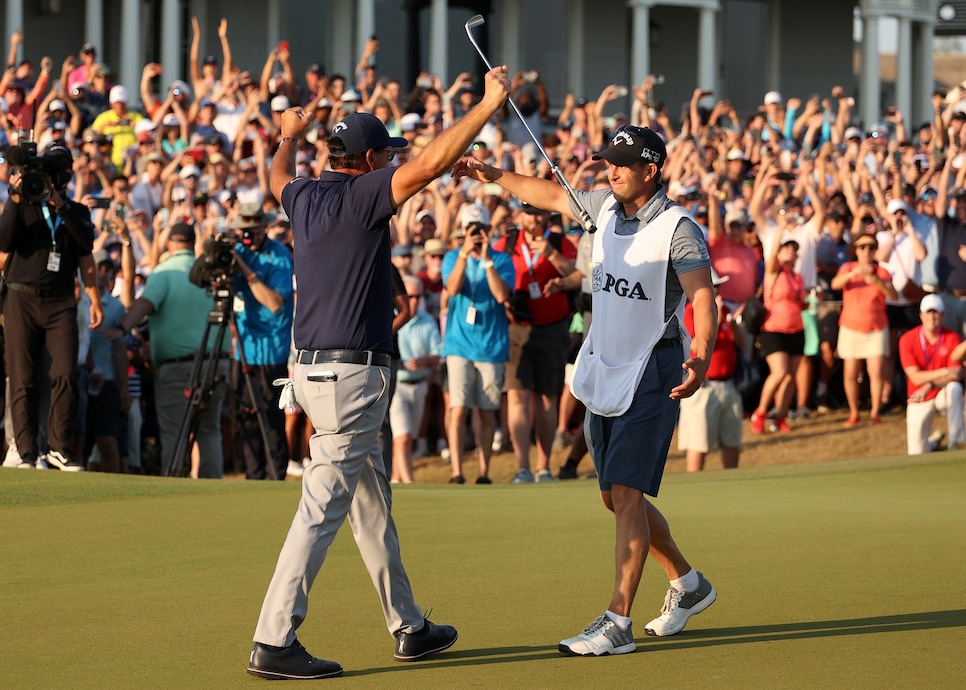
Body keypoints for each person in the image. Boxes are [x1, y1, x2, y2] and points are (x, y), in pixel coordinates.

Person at [247, 65, 511, 680]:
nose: (392, 162)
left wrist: (287, 133)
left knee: (370, 501)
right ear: (366, 160)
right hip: (348, 378)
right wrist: (489, 105)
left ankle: (409, 626)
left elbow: (277, 173)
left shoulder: (306, 195)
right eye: (384, 155)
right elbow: (434, 161)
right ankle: (273, 637)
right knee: (322, 507)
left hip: (313, 375)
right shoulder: (364, 193)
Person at [456, 124, 717, 656]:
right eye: (607, 161)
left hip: (655, 368)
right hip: (604, 362)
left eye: (622, 163)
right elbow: (548, 193)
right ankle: (689, 585)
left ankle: (617, 622)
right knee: (612, 496)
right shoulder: (602, 208)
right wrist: (492, 175)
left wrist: (701, 356)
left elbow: (703, 300)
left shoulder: (678, 228)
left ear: (651, 169)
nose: (611, 169)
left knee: (625, 494)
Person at [0, 141, 103, 471]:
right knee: (22, 377)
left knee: (64, 374)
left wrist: (95, 298)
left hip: (60, 302)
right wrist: (15, 198)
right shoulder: (23, 204)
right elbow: (4, 241)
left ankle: (58, 448)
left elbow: (86, 247)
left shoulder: (75, 211)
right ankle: (26, 451)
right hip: (20, 297)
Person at [118, 223, 231, 478]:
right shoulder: (213, 271)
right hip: (217, 362)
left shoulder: (164, 271)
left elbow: (145, 303)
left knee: (174, 431)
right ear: (193, 244)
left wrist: (122, 328)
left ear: (169, 243)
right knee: (210, 431)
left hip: (178, 367)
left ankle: (175, 493)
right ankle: (213, 498)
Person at [492, 204, 577, 483]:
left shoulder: (558, 241)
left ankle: (543, 466)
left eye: (540, 213)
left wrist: (550, 254)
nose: (534, 218)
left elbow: (577, 276)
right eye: (528, 212)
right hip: (516, 326)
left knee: (546, 398)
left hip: (552, 328)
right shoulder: (506, 243)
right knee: (516, 395)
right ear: (519, 215)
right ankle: (522, 468)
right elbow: (491, 276)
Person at [440, 203, 514, 484]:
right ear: (462, 231)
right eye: (471, 230)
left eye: (481, 229)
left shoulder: (501, 260)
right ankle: (457, 471)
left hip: (491, 345)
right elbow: (453, 288)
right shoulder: (451, 258)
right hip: (459, 344)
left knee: (486, 411)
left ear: (489, 230)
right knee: (458, 409)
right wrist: (464, 254)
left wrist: (486, 259)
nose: (476, 235)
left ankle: (484, 471)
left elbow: (500, 295)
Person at [230, 203, 295, 480]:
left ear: (263, 229)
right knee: (245, 417)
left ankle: (275, 476)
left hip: (271, 350)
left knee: (270, 419)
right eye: (244, 232)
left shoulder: (278, 255)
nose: (248, 237)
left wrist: (244, 268)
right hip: (243, 348)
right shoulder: (238, 251)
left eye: (253, 231)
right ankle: (252, 476)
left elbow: (274, 303)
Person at [677, 269, 744, 472]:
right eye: (713, 287)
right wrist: (715, 319)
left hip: (728, 385)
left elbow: (741, 345)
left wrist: (731, 323)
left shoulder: (722, 313)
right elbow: (694, 344)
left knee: (732, 442)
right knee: (698, 444)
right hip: (702, 387)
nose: (717, 291)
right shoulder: (690, 311)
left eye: (718, 287)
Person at [830, 233, 897, 427]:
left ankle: (875, 412)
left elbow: (892, 294)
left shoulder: (882, 272)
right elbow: (835, 284)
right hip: (851, 326)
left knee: (875, 371)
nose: (866, 251)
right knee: (850, 372)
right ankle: (854, 412)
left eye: (870, 247)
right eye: (862, 247)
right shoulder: (848, 268)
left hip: (876, 327)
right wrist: (855, 273)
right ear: (856, 250)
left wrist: (876, 281)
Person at [749, 237, 806, 434]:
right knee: (780, 372)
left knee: (790, 377)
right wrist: (780, 229)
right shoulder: (774, 272)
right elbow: (772, 256)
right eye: (787, 248)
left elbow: (800, 303)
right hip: (774, 329)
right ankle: (761, 412)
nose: (790, 250)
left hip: (796, 329)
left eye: (793, 248)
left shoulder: (798, 277)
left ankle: (780, 417)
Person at [389, 276, 442, 483]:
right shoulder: (391, 318)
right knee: (402, 437)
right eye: (409, 296)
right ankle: (409, 482)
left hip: (419, 385)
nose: (413, 301)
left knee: (407, 438)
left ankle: (395, 479)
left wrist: (423, 361)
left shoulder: (427, 320)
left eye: (417, 296)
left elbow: (438, 356)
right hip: (397, 384)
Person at [898, 294, 966, 454]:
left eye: (936, 312)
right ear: (921, 315)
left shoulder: (952, 338)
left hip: (940, 393)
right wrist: (944, 371)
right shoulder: (908, 339)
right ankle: (934, 441)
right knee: (916, 453)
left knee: (955, 388)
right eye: (928, 312)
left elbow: (956, 374)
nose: (932, 317)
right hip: (918, 396)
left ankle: (955, 441)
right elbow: (915, 377)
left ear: (943, 315)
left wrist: (929, 384)